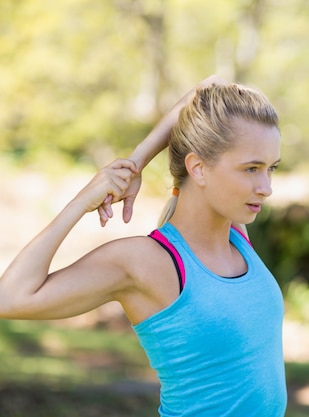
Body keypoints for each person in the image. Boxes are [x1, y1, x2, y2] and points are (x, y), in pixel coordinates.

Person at [0, 77, 287, 417]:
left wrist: (136, 161)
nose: (266, 187)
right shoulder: (147, 263)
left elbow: (207, 88)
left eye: (270, 168)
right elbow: (11, 298)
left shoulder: (237, 240)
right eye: (252, 168)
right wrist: (82, 201)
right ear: (198, 168)